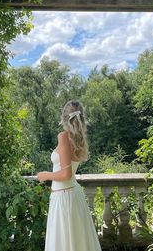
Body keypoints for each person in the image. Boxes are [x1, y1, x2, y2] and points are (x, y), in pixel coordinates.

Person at [37, 99, 102, 251]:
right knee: (78, 242)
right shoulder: (78, 139)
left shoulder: (64, 137)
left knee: (65, 244)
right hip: (72, 195)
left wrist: (46, 175)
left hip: (64, 198)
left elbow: (66, 174)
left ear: (64, 117)